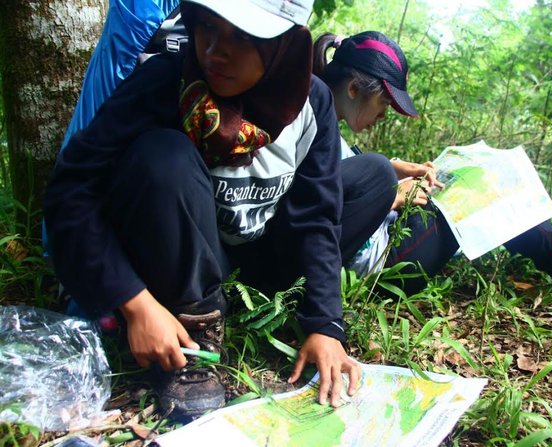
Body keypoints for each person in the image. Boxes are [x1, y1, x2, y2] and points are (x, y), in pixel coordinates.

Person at [44, 0, 396, 420]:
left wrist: (325, 324)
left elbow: (317, 215)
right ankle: (194, 324)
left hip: (258, 255)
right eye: (207, 27)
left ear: (285, 45)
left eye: (244, 37)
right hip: (184, 254)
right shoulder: (166, 80)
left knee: (376, 175)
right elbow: (72, 190)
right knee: (163, 155)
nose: (215, 50)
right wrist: (134, 301)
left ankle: (245, 303)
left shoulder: (312, 102)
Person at [312, 31, 552, 305]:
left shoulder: (321, 117)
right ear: (354, 89)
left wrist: (393, 168)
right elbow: (308, 206)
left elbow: (340, 177)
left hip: (382, 232)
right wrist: (393, 195)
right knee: (486, 191)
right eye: (384, 104)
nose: (383, 116)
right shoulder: (309, 122)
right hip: (376, 263)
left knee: (478, 180)